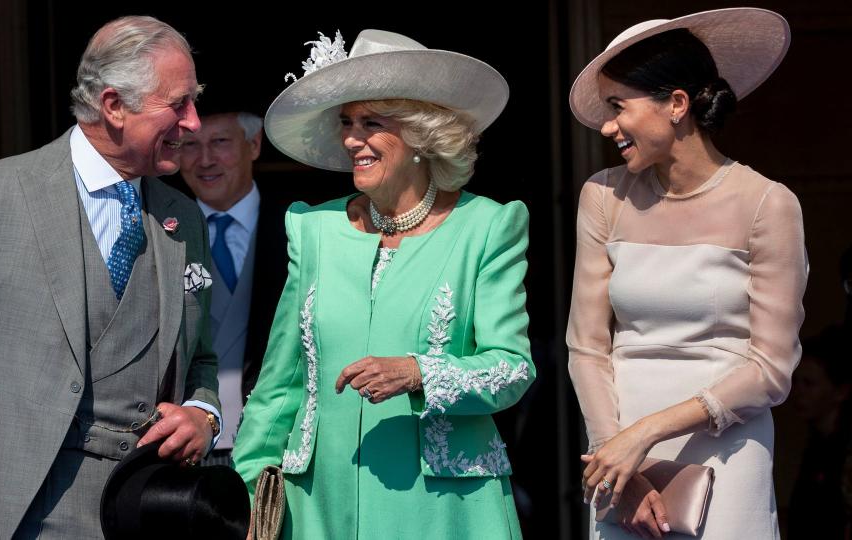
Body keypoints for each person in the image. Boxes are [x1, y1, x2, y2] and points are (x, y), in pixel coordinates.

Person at [0, 16, 221, 540]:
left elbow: (201, 355)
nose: (194, 123)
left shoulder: (183, 218)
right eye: (178, 103)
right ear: (114, 105)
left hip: (141, 509)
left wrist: (203, 414)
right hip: (5, 508)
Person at [232, 29, 533, 539]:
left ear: (420, 134)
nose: (352, 139)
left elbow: (512, 368)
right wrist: (247, 483)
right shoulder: (313, 229)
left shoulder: (487, 226)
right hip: (318, 501)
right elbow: (281, 381)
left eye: (372, 123)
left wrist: (419, 373)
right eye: (347, 122)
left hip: (442, 506)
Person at [566, 8, 806, 539]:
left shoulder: (767, 204)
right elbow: (586, 347)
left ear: (676, 104)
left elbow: (771, 367)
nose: (607, 126)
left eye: (617, 107)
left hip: (726, 444)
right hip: (618, 454)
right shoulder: (603, 196)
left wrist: (647, 433)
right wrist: (616, 453)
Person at [176, 96, 290, 462]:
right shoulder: (159, 231)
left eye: (220, 142)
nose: (205, 159)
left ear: (254, 144)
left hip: (275, 442)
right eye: (190, 145)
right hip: (186, 445)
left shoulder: (299, 227)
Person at [787, 327, 852, 538]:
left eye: (809, 384)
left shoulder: (844, 453)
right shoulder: (815, 446)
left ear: (841, 391)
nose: (798, 392)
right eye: (795, 382)